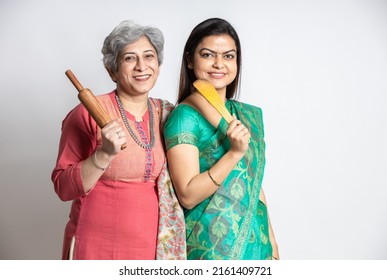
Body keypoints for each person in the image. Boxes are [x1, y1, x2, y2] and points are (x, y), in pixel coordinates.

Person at [51, 20, 186, 260]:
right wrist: (103, 155)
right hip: (94, 247)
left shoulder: (167, 114)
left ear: (158, 63)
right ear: (112, 70)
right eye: (129, 58)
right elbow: (63, 187)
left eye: (149, 56)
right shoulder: (86, 113)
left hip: (150, 249)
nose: (141, 66)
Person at [164, 18, 279, 260]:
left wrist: (273, 244)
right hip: (212, 248)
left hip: (257, 245)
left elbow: (253, 183)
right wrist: (234, 153)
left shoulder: (244, 115)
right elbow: (187, 194)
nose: (219, 64)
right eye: (208, 55)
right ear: (190, 60)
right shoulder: (185, 117)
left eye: (228, 56)